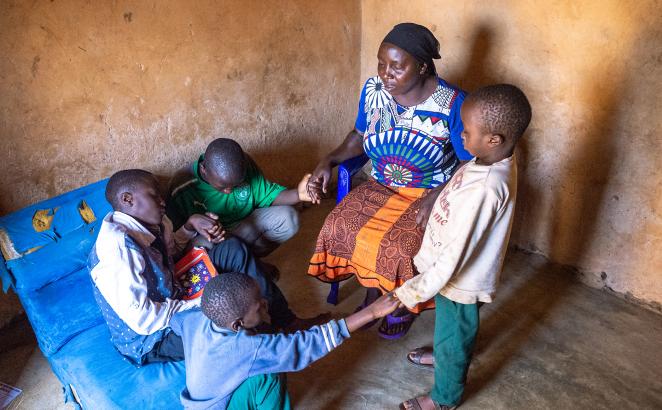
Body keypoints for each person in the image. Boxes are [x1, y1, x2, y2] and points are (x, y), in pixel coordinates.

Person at [307, 22, 472, 339]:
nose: (386, 74)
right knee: (340, 224)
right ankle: (375, 297)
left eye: (397, 66)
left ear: (422, 66)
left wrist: (438, 193)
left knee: (400, 246)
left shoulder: (453, 103)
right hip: (381, 185)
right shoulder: (373, 92)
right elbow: (358, 136)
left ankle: (399, 304)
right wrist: (328, 160)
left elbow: (470, 162)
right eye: (381, 64)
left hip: (428, 193)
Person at [88, 169, 317, 366]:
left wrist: (189, 226)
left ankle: (285, 320)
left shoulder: (153, 220)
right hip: (154, 336)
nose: (162, 201)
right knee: (225, 310)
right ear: (128, 200)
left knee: (231, 249)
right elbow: (145, 321)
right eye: (154, 195)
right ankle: (272, 344)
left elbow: (170, 252)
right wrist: (201, 301)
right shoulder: (118, 250)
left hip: (174, 290)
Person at [394, 84, 532, 410]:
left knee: (454, 331)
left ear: (493, 139)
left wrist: (410, 292)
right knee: (452, 327)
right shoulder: (488, 158)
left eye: (467, 131)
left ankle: (444, 397)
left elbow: (454, 259)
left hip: (460, 280)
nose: (462, 136)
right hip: (453, 275)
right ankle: (447, 354)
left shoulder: (486, 189)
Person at [170, 272, 400, 410]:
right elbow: (308, 343)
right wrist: (371, 313)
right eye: (259, 305)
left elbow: (175, 322)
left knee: (264, 352)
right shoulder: (250, 348)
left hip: (195, 404)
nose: (265, 303)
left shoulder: (195, 318)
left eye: (260, 297)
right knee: (270, 372)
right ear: (237, 325)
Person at [167, 138, 313, 262]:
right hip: (215, 241)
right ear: (204, 169)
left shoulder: (244, 164)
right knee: (200, 249)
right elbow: (179, 238)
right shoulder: (182, 187)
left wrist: (298, 194)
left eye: (235, 185)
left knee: (289, 217)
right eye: (223, 186)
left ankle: (252, 262)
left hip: (244, 227)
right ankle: (241, 267)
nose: (229, 191)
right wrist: (203, 227)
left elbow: (267, 194)